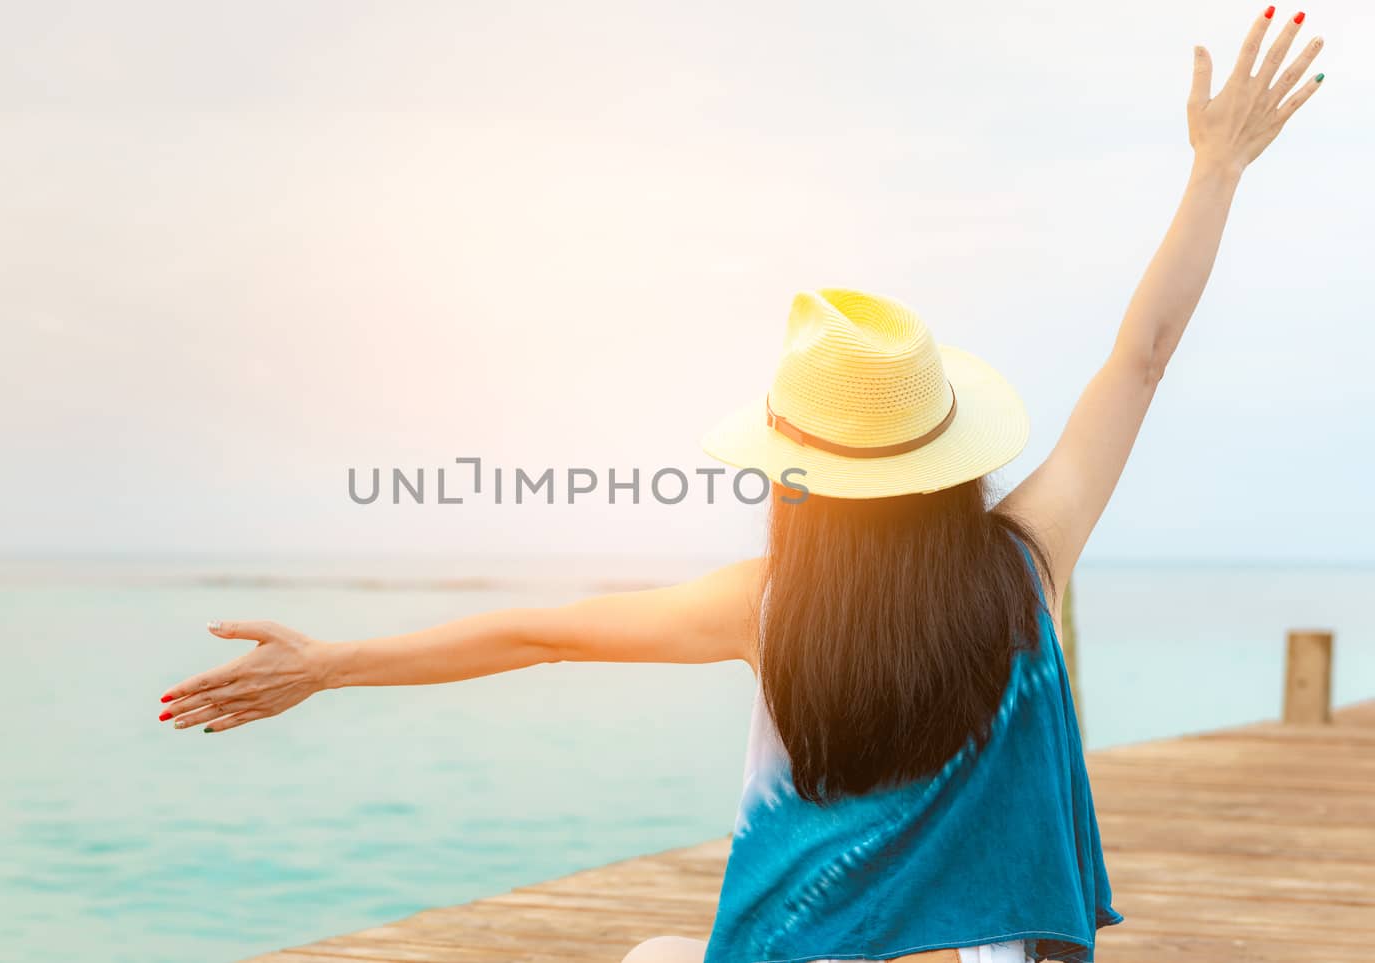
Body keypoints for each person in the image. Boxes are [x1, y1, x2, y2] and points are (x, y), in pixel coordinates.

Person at [155, 9, 1325, 962]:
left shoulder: (765, 605)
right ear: (945, 451)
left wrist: (326, 665)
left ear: (795, 473)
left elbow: (534, 633)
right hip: (994, 958)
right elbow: (1143, 356)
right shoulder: (1026, 560)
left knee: (654, 961)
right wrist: (1215, 168)